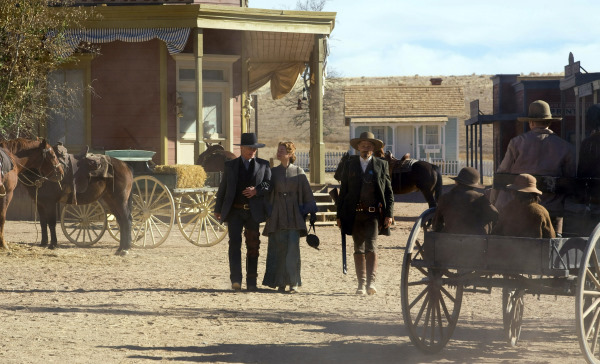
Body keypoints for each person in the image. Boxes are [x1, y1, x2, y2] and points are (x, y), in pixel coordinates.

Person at [492, 100, 575, 236]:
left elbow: (502, 173)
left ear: (531, 122)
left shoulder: (516, 143)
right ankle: (557, 236)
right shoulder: (566, 147)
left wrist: (494, 204)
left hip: (516, 205)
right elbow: (569, 180)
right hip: (551, 207)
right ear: (549, 122)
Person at [336, 131, 394, 295]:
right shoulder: (349, 165)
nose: (365, 148)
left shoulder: (381, 165)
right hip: (355, 215)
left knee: (372, 247)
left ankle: (371, 283)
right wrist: (339, 215)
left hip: (373, 215)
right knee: (358, 248)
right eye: (363, 145)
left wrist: (389, 214)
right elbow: (343, 191)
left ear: (374, 148)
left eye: (369, 145)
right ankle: (361, 284)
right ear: (358, 147)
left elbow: (389, 192)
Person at [214, 133, 271, 291]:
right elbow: (223, 188)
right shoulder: (230, 166)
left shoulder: (264, 165)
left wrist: (256, 191)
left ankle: (252, 282)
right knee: (234, 245)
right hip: (235, 212)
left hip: (253, 212)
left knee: (253, 245)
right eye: (249, 148)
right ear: (241, 148)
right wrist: (218, 208)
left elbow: (268, 184)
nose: (252, 151)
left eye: (254, 148)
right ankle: (236, 280)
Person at [262, 141, 317, 293]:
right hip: (277, 214)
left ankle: (293, 282)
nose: (278, 152)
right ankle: (280, 282)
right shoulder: (273, 172)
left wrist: (311, 212)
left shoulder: (299, 172)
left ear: (290, 154)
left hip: (294, 214)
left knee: (293, 249)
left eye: (282, 150)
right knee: (278, 248)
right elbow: (265, 190)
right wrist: (257, 192)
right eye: (278, 150)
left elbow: (307, 193)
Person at [432, 167, 498, 234]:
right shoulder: (480, 198)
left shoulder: (444, 197)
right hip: (477, 240)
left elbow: (436, 225)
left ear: (456, 182)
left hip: (450, 238)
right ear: (474, 185)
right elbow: (495, 215)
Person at [492, 174, 556, 238]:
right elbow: (551, 237)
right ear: (535, 194)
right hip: (535, 247)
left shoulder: (508, 208)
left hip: (508, 246)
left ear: (514, 192)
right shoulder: (541, 211)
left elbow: (496, 232)